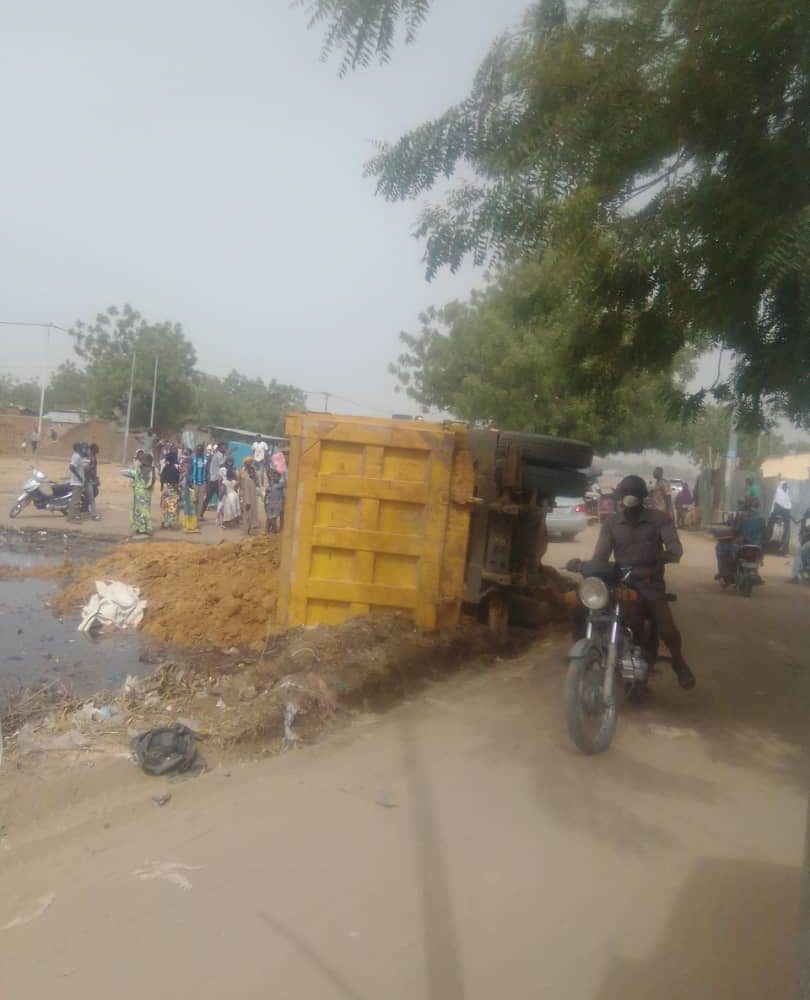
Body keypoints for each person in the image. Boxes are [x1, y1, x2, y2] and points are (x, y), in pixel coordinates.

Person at [592, 474, 696, 690]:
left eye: (634, 494)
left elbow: (675, 548)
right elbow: (600, 556)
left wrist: (666, 555)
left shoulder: (659, 520)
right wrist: (591, 568)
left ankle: (678, 661)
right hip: (621, 582)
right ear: (620, 496)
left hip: (649, 583)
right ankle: (588, 655)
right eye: (626, 494)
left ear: (643, 497)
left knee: (666, 625)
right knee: (588, 610)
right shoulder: (612, 523)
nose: (629, 498)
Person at [131, 454, 155, 535]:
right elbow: (151, 483)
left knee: (138, 509)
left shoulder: (138, 469)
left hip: (138, 491)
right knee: (145, 510)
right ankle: (147, 528)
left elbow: (134, 481)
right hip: (146, 492)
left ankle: (138, 527)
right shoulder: (151, 470)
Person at [202, 443, 225, 519]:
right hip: (216, 480)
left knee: (208, 498)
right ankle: (225, 516)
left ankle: (201, 514)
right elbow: (222, 466)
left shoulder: (214, 455)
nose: (224, 449)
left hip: (212, 479)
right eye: (223, 448)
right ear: (219, 448)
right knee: (221, 498)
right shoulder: (220, 455)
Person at [159, 451, 181, 529]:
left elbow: (161, 479)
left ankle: (164, 523)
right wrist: (178, 492)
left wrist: (162, 488)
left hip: (165, 490)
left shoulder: (165, 468)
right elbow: (174, 483)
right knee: (172, 508)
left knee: (164, 507)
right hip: (172, 491)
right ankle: (170, 524)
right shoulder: (174, 470)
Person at [770, 481, 792, 555]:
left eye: (786, 486)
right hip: (777, 517)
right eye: (784, 486)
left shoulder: (787, 495)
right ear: (781, 486)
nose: (785, 487)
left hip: (785, 518)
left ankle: (784, 549)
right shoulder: (778, 494)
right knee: (772, 530)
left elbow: (788, 507)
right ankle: (771, 548)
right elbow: (776, 506)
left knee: (787, 532)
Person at [240, 457, 260, 535]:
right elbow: (241, 483)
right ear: (245, 463)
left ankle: (253, 526)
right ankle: (246, 529)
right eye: (248, 462)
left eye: (250, 462)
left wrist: (254, 477)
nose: (250, 463)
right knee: (246, 510)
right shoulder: (242, 471)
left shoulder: (254, 471)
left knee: (253, 510)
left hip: (253, 493)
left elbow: (257, 482)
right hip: (245, 494)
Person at [68, 442, 85, 522]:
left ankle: (75, 517)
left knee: (76, 501)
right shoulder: (77, 456)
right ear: (78, 448)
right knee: (75, 501)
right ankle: (71, 518)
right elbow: (71, 467)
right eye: (81, 447)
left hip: (78, 482)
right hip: (76, 482)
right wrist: (79, 477)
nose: (82, 448)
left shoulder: (78, 456)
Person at [190, 444, 208, 518]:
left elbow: (207, 470)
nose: (199, 451)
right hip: (194, 482)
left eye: (200, 450)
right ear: (196, 451)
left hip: (203, 483)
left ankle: (197, 518)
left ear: (202, 451)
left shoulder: (205, 459)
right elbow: (190, 469)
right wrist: (190, 481)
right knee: (194, 501)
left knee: (200, 501)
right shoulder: (193, 458)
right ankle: (193, 517)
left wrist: (207, 482)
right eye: (198, 450)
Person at [84, 443, 101, 520]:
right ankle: (94, 515)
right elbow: (87, 469)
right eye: (97, 448)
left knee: (95, 492)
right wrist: (94, 477)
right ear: (93, 449)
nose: (98, 450)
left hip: (90, 479)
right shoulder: (90, 456)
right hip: (88, 480)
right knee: (91, 496)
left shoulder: (93, 456)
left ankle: (85, 507)